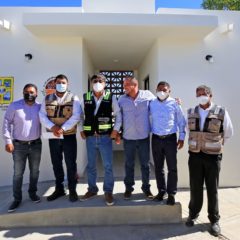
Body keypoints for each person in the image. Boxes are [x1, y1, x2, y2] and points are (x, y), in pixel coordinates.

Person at [185, 85, 233, 237]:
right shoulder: (191, 112)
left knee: (212, 189)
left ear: (210, 95)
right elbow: (188, 131)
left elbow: (228, 132)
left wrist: (215, 145)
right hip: (195, 156)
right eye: (198, 94)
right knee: (195, 187)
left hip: (212, 157)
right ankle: (193, 213)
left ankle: (214, 220)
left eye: (204, 93)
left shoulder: (221, 112)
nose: (201, 96)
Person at [79, 74, 121, 206]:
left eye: (100, 81)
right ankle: (92, 189)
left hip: (105, 137)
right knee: (91, 166)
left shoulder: (111, 97)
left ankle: (108, 191)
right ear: (91, 83)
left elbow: (118, 114)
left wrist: (116, 130)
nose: (97, 83)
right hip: (90, 137)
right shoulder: (85, 97)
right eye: (95, 81)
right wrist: (81, 129)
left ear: (105, 83)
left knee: (107, 166)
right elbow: (80, 115)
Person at [39, 74, 81, 202]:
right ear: (54, 84)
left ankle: (72, 189)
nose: (61, 84)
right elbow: (42, 115)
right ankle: (59, 189)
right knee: (56, 163)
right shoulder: (47, 98)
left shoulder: (74, 98)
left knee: (70, 163)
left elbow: (76, 116)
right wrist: (53, 127)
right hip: (53, 136)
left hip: (69, 136)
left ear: (67, 84)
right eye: (58, 82)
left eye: (63, 82)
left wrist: (62, 128)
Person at [2, 84, 42, 212]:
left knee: (35, 172)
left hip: (36, 145)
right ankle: (17, 199)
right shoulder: (14, 105)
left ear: (36, 94)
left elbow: (47, 121)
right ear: (22, 92)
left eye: (31, 92)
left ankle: (32, 193)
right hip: (18, 146)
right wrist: (8, 141)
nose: (29, 94)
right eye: (26, 92)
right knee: (18, 174)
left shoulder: (40, 107)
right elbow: (6, 123)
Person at [118, 76, 155, 200]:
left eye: (126, 85)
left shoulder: (148, 95)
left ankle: (146, 188)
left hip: (144, 137)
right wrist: (116, 132)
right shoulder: (121, 99)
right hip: (128, 137)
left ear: (134, 85)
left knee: (145, 164)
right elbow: (118, 117)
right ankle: (129, 188)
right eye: (124, 85)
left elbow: (160, 104)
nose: (124, 87)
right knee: (129, 164)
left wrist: (174, 101)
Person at [150, 81, 186, 205]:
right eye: (159, 89)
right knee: (158, 168)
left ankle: (171, 193)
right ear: (156, 90)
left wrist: (181, 137)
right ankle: (161, 191)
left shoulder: (175, 103)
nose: (162, 92)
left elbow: (181, 121)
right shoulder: (152, 103)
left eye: (165, 90)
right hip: (156, 138)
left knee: (172, 168)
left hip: (170, 139)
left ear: (169, 91)